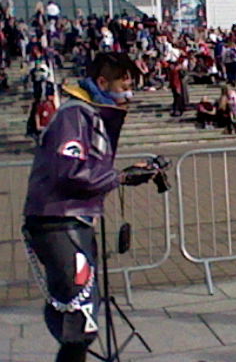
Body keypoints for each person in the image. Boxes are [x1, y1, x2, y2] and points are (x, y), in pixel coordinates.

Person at [21, 52, 152, 362]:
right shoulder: (75, 114)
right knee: (78, 320)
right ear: (102, 83)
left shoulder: (91, 113)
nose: (129, 93)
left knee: (82, 314)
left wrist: (125, 174)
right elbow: (70, 172)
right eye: (124, 86)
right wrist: (119, 176)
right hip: (58, 220)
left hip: (72, 219)